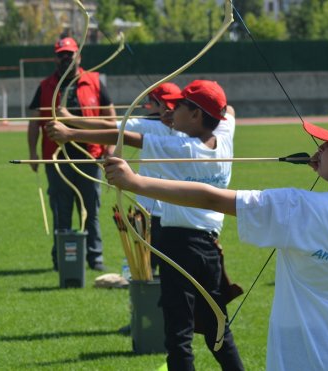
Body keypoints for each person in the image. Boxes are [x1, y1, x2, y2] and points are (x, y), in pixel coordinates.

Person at [104, 112, 328, 370]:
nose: (320, 147)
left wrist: (135, 181)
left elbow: (212, 199)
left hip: (300, 359)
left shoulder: (299, 209)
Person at [48, 80, 243, 371]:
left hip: (179, 247)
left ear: (197, 115)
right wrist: (178, 118)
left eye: (180, 106)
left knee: (178, 334)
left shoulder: (182, 148)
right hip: (210, 249)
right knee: (218, 328)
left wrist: (69, 133)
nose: (172, 110)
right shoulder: (224, 135)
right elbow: (228, 110)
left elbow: (123, 135)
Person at [54, 82, 186, 275]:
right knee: (157, 269)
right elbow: (111, 127)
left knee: (155, 270)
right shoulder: (187, 131)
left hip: (158, 211)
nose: (167, 110)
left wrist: (69, 122)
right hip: (164, 210)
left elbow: (110, 128)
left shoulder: (155, 126)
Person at [27, 37, 116, 272]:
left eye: (70, 53)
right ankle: (62, 260)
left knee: (91, 210)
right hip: (57, 159)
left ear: (79, 56)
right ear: (55, 58)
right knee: (61, 211)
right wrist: (33, 153)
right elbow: (35, 123)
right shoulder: (46, 85)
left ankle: (94, 258)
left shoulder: (95, 82)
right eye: (61, 54)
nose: (66, 58)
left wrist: (110, 150)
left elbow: (111, 119)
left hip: (89, 156)